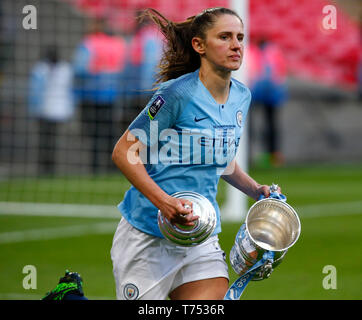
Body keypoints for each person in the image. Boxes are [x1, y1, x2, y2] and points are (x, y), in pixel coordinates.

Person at [110, 7, 278, 300]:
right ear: (199, 45)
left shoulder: (242, 96)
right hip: (148, 235)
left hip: (201, 235)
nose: (236, 44)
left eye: (240, 37)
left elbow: (220, 159)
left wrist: (256, 190)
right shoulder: (176, 94)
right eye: (224, 37)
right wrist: (165, 203)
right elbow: (124, 152)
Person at [72, 18, 127, 173]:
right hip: (113, 95)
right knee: (110, 131)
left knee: (94, 133)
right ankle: (112, 167)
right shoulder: (119, 43)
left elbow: (79, 69)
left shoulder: (89, 43)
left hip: (92, 95)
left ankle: (95, 167)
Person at [28, 46, 75, 175]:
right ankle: (45, 168)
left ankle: (48, 168)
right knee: (46, 140)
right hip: (46, 110)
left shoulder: (62, 69)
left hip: (55, 110)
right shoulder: (42, 69)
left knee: (49, 140)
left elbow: (69, 91)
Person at [248, 38, 288, 167]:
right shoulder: (250, 49)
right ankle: (248, 154)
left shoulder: (273, 50)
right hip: (253, 90)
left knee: (271, 125)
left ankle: (273, 155)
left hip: (271, 91)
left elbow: (280, 70)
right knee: (249, 125)